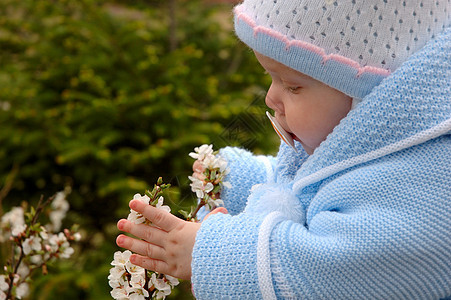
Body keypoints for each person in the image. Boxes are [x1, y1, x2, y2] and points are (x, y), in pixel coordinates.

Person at [116, 0, 451, 298]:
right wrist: (248, 180)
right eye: (271, 78)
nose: (270, 98)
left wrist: (207, 252)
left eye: (293, 86)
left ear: (372, 97)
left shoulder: (423, 189)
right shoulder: (369, 145)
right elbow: (314, 185)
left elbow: (328, 272)